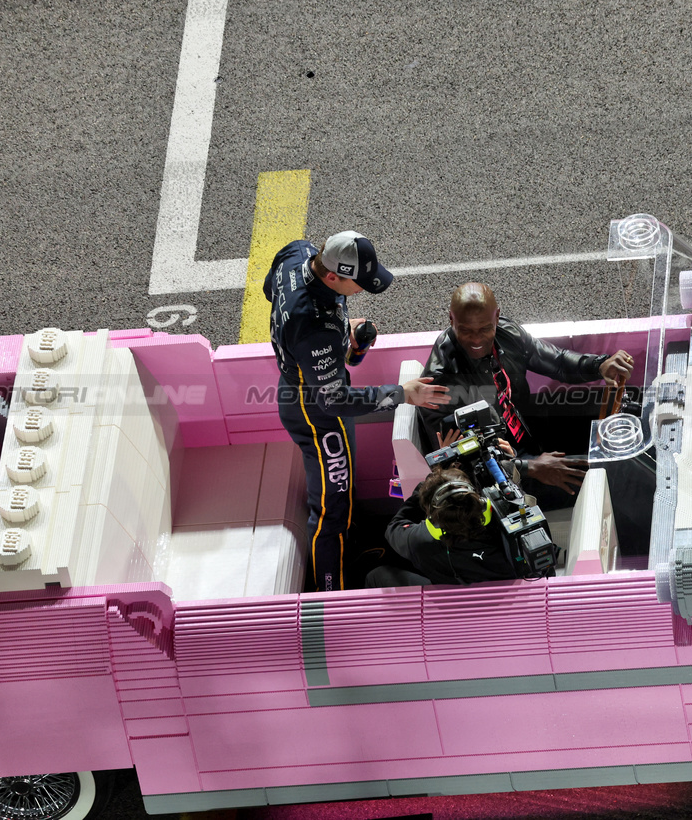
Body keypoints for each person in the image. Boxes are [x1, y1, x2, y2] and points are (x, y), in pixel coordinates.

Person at [264, 231, 450, 592]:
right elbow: (334, 400)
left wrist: (336, 333)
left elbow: (272, 290)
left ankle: (343, 562)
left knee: (343, 502)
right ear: (332, 275)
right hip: (317, 415)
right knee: (332, 512)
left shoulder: (295, 254)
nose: (363, 289)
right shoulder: (314, 326)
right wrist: (401, 394)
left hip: (307, 389)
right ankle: (331, 594)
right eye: (359, 283)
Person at [421, 282, 634, 507]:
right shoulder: (439, 382)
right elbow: (459, 465)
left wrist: (600, 365)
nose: (476, 339)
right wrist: (530, 467)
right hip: (504, 476)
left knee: (613, 446)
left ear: (497, 317)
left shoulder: (507, 332)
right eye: (465, 330)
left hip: (529, 432)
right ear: (451, 320)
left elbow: (556, 361)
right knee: (606, 475)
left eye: (485, 329)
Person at [367, 465, 518, 587]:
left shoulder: (420, 541)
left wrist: (429, 483)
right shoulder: (510, 526)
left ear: (431, 515)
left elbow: (394, 527)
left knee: (375, 576)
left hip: (451, 608)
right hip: (505, 606)